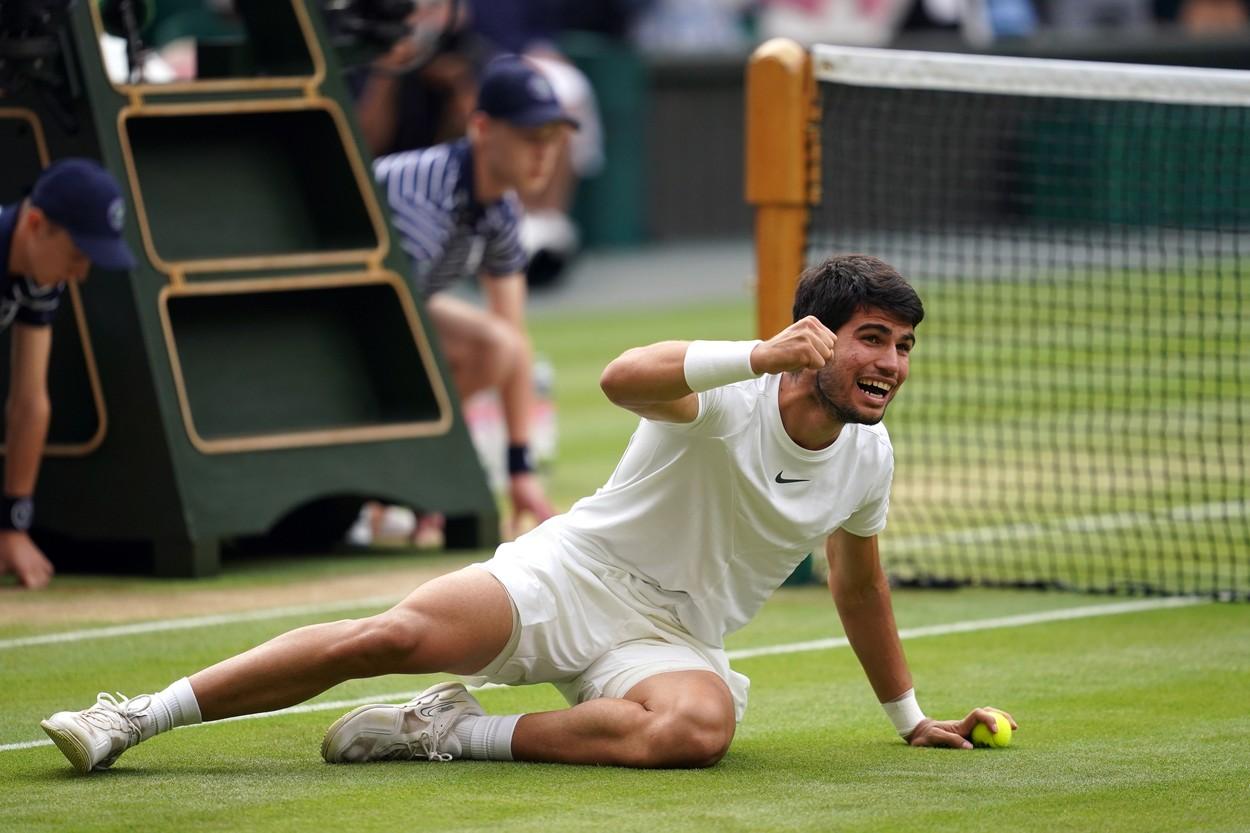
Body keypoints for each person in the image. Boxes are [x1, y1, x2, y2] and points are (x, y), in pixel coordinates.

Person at [41, 254, 1016, 773]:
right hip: (567, 576)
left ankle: (445, 730)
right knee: (389, 631)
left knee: (694, 731)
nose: (890, 362)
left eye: (903, 346)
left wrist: (907, 714)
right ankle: (135, 715)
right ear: (817, 338)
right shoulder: (731, 393)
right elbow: (618, 375)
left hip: (671, 637)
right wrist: (755, 354)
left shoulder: (868, 458)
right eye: (871, 339)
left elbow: (859, 584)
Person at [0, 159, 136, 590]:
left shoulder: (39, 276)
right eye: (77, 255)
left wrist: (12, 526)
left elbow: (29, 400)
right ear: (36, 224)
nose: (81, 273)